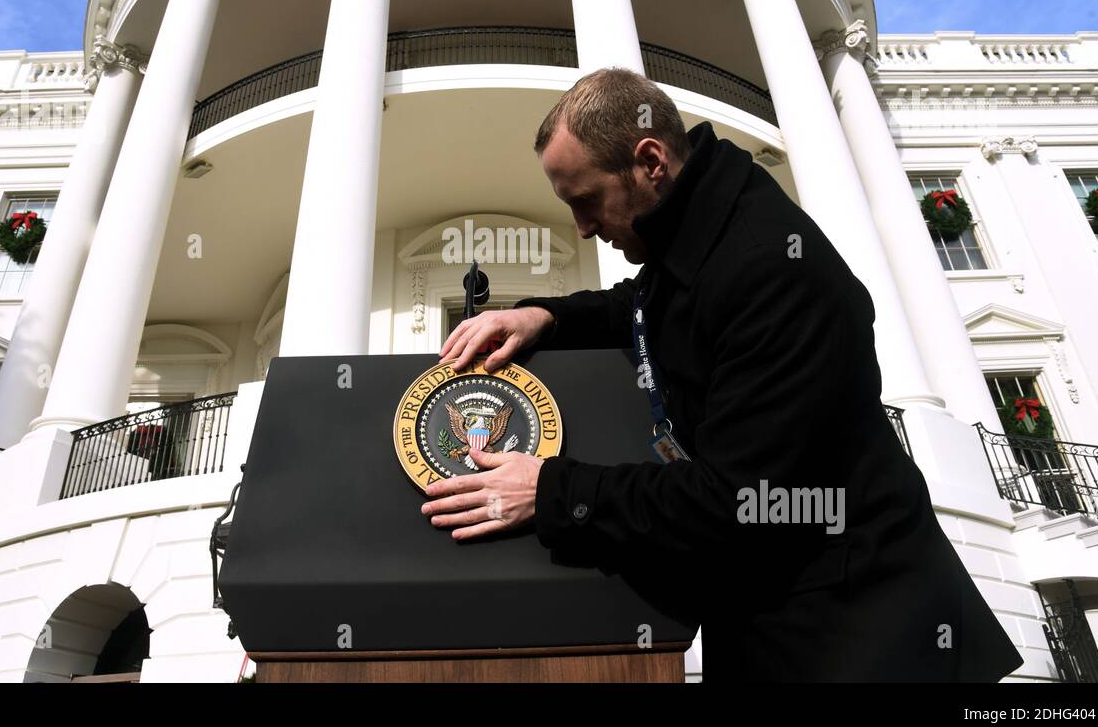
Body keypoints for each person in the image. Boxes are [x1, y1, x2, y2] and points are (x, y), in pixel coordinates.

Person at [423, 67, 1024, 681]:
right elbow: (642, 306)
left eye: (586, 200)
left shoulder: (771, 271)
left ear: (650, 161)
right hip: (782, 621)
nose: (581, 227)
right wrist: (542, 314)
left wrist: (550, 491)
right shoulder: (699, 230)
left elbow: (741, 501)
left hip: (862, 637)